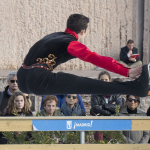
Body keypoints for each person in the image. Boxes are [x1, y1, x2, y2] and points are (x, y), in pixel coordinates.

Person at [17, 13, 149, 97]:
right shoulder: (71, 43)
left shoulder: (51, 36)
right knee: (88, 84)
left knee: (70, 80)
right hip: (39, 80)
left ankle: (137, 88)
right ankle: (138, 89)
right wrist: (127, 71)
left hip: (22, 78)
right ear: (83, 31)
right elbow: (97, 59)